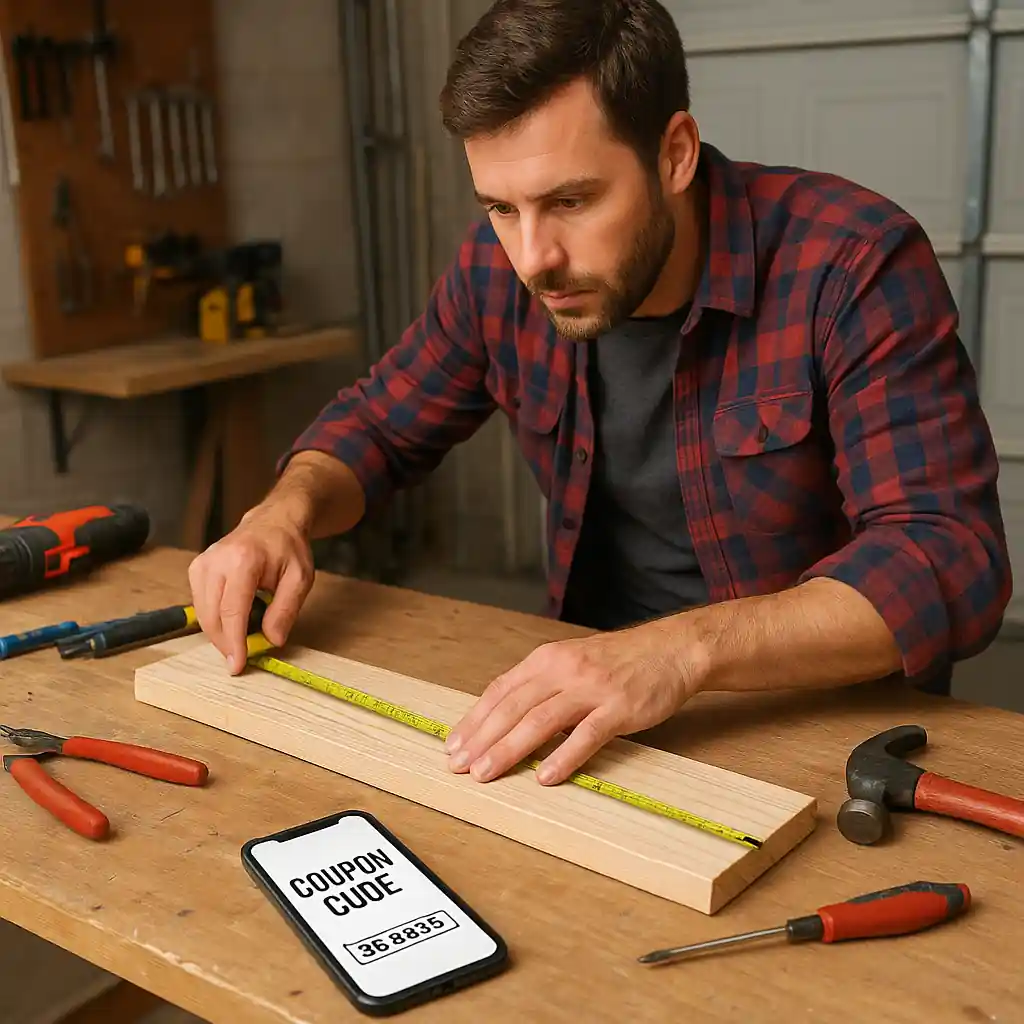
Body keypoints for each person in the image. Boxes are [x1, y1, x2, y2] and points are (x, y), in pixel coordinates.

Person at [188, 0, 1011, 790]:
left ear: (675, 153)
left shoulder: (851, 262)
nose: (533, 258)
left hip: (820, 727)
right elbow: (377, 425)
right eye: (501, 208)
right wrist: (282, 512)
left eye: (571, 201)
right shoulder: (497, 270)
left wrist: (677, 654)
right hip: (598, 706)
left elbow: (947, 556)